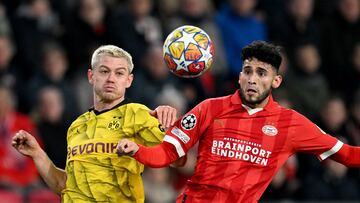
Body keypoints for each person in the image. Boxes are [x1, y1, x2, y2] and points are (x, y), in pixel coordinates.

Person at [117, 40, 360, 202]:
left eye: (261, 73)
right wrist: (137, 150)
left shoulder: (292, 124)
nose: (252, 79)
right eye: (247, 71)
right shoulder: (209, 108)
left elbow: (348, 155)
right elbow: (167, 153)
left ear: (276, 82)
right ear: (240, 75)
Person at [11, 45, 181, 202]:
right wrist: (37, 154)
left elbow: (177, 160)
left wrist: (169, 129)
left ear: (128, 80)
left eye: (119, 73)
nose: (111, 79)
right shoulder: (77, 126)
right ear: (91, 76)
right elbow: (65, 186)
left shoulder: (138, 114)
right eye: (104, 71)